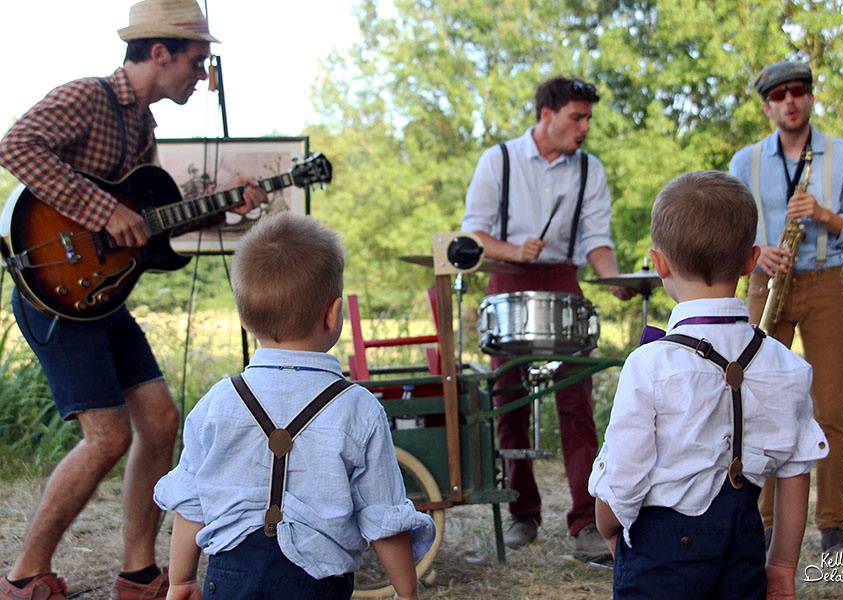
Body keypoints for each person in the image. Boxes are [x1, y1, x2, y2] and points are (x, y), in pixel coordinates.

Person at [0, 2, 266, 598]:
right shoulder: (89, 98)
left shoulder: (143, 126)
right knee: (107, 436)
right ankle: (22, 577)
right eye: (196, 62)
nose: (201, 77)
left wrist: (227, 207)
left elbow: (144, 227)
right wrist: (106, 212)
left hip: (103, 297)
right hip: (55, 295)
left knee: (161, 419)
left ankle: (139, 572)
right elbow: (15, 146)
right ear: (158, 53)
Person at [154, 213, 435, 600]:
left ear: (245, 318)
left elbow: (191, 500)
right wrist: (407, 592)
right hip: (314, 584)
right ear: (333, 314)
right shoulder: (358, 408)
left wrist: (181, 580)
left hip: (229, 578)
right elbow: (383, 515)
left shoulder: (218, 401)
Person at [590, 170, 829, 599]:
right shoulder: (786, 365)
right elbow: (796, 471)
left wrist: (608, 525)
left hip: (660, 555)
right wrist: (781, 566)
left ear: (658, 262)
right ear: (751, 259)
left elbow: (623, 473)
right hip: (743, 549)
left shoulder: (650, 364)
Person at [462, 75, 633, 562]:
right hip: (507, 278)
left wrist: (614, 279)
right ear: (546, 115)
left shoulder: (589, 170)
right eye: (576, 117)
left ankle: (586, 522)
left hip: (563, 279)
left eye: (587, 119)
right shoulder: (499, 160)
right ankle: (522, 514)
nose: (584, 127)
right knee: (508, 400)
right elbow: (473, 236)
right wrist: (515, 249)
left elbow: (597, 239)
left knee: (575, 403)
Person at [729, 61, 843, 553]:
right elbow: (735, 229)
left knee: (830, 407)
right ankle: (759, 521)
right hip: (766, 283)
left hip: (825, 283)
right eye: (779, 95)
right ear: (767, 106)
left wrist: (825, 216)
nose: (790, 100)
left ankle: (832, 524)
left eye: (799, 91)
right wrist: (757, 251)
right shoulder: (744, 162)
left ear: (810, 98)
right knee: (757, 403)